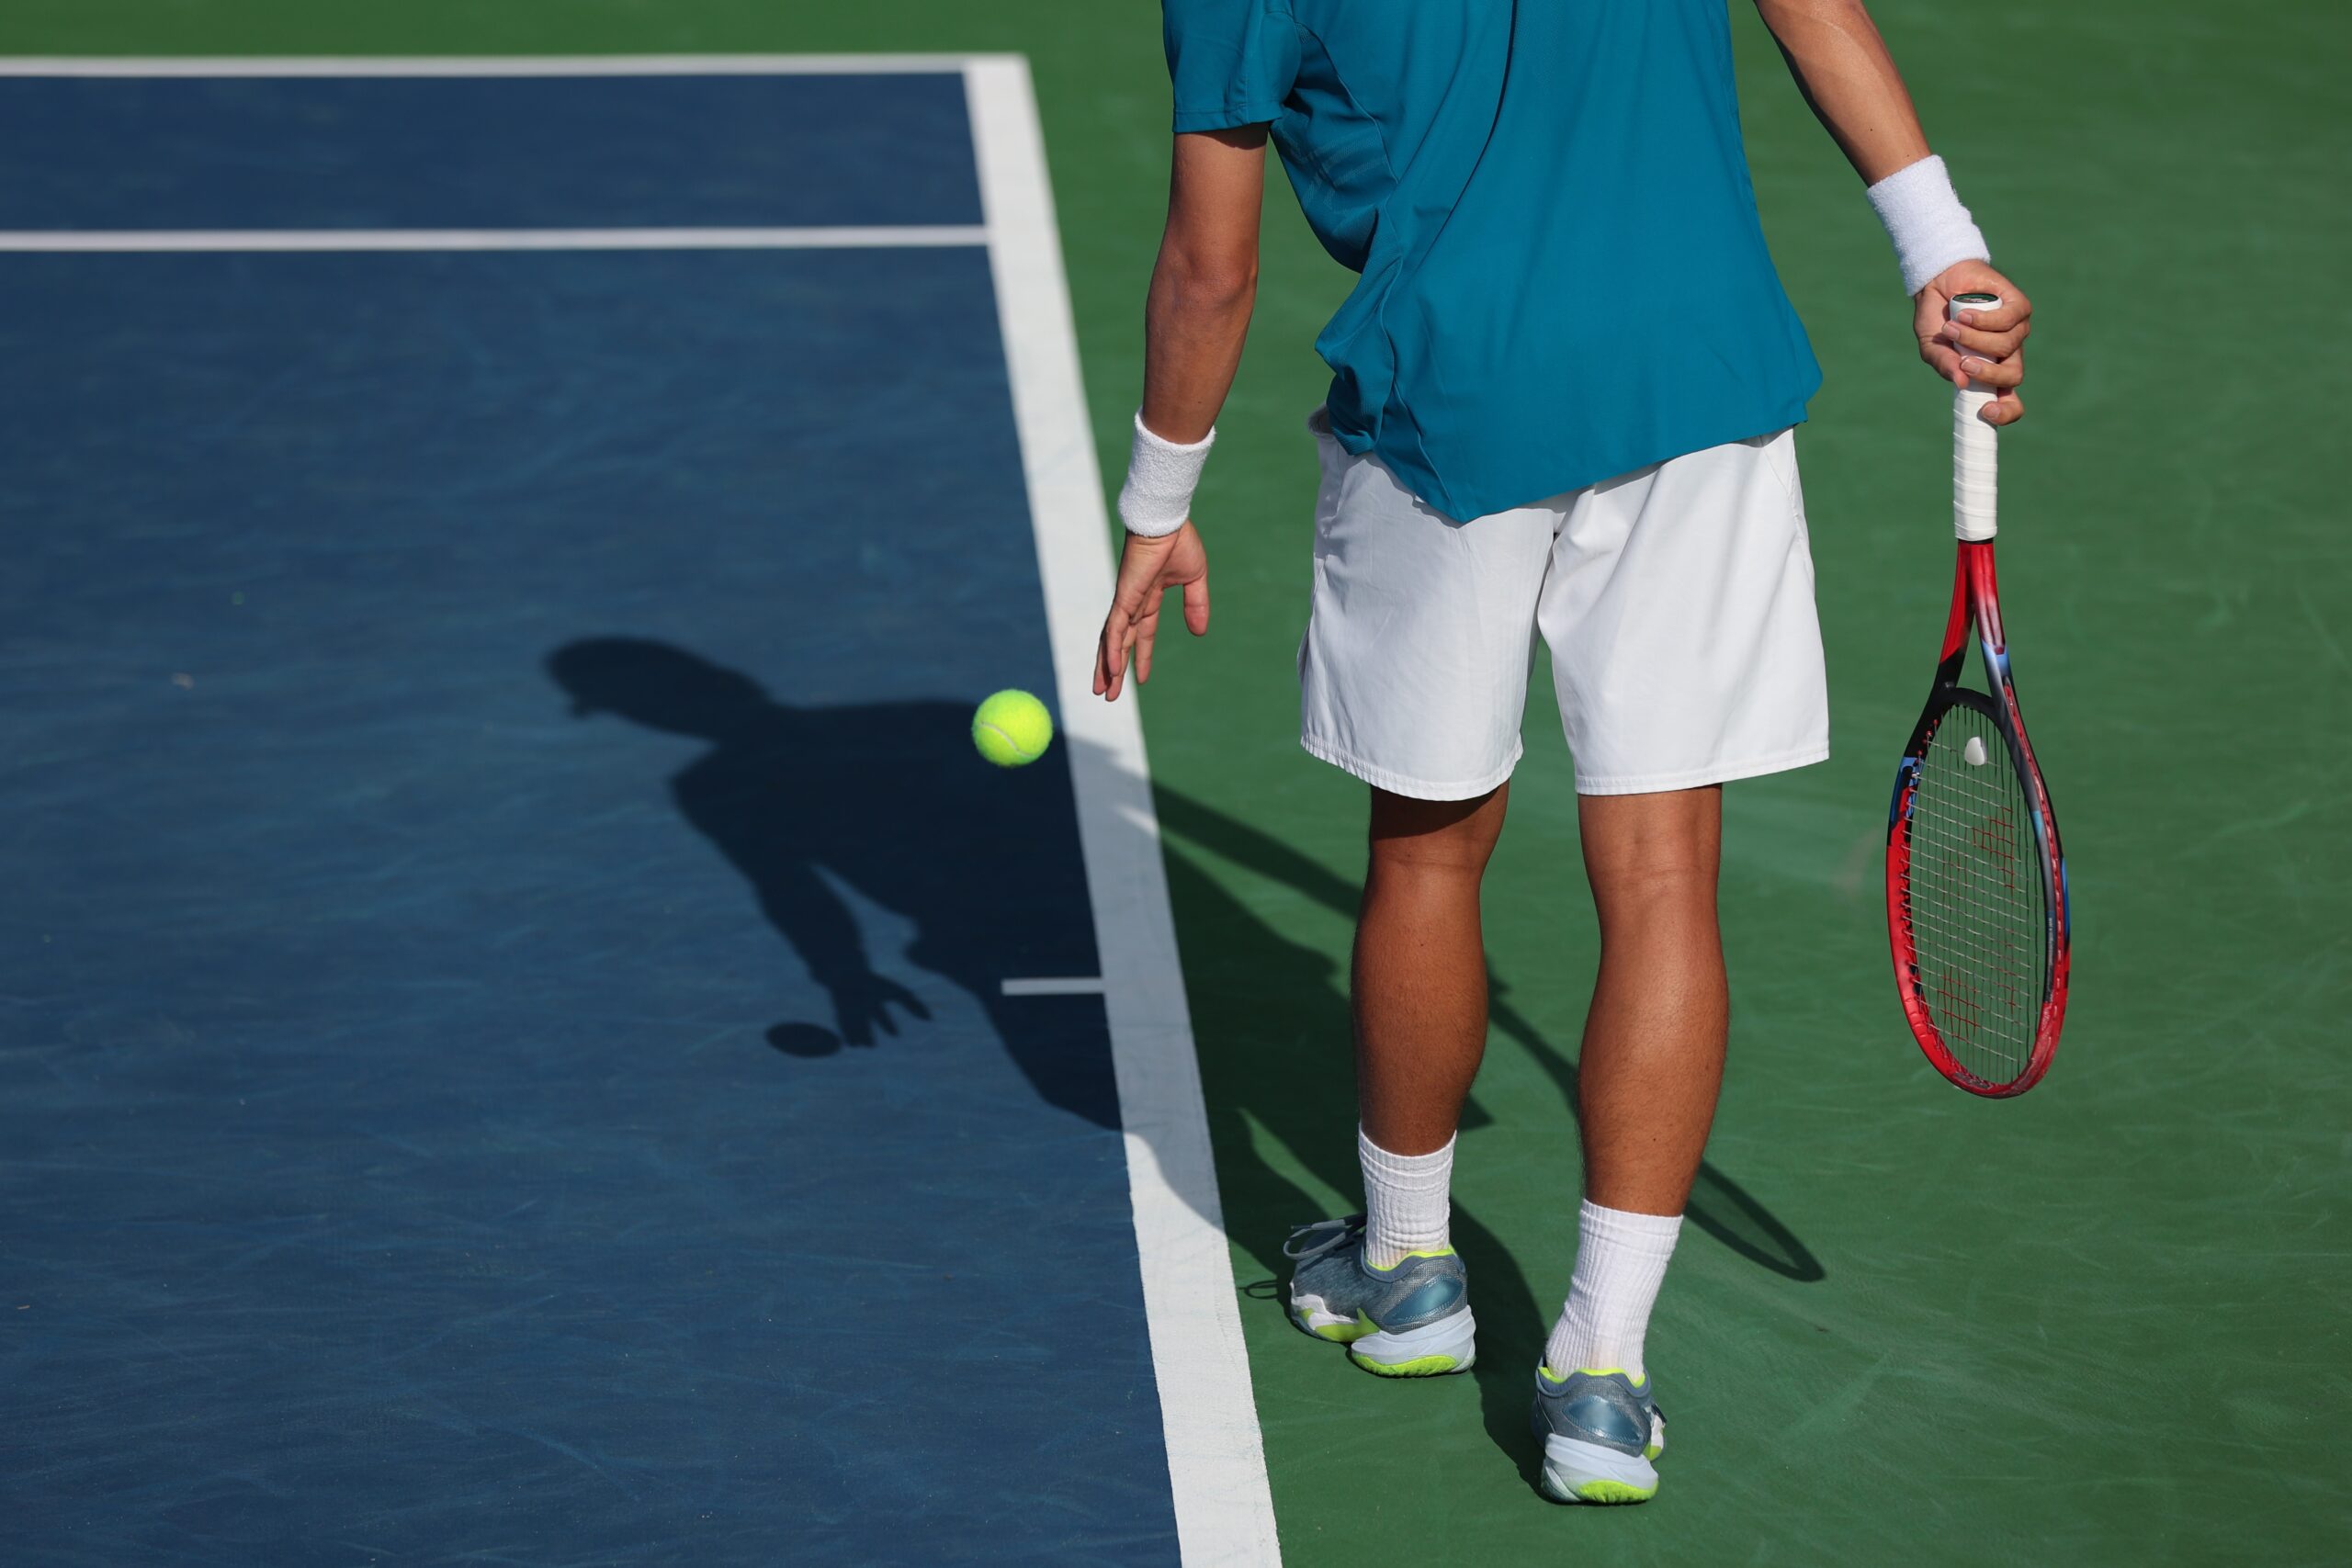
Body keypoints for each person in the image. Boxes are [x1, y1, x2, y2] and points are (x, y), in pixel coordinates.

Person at [1092, 0, 2031, 1506]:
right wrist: (1940, 248)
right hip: (1695, 370)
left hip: (1451, 397)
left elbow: (1215, 263)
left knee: (1430, 842)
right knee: (1663, 874)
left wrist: (1157, 502)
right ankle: (1601, 1373)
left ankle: (1405, 1269)